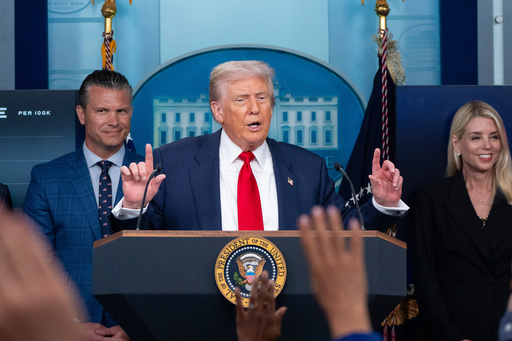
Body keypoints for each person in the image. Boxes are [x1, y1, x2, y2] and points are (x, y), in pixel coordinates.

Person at [113, 60, 407, 231]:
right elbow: (141, 248)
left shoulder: (307, 169)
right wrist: (133, 207)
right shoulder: (173, 164)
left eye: (263, 98)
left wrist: (383, 203)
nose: (255, 108)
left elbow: (346, 232)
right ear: (218, 111)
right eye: (241, 100)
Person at [23, 69, 143, 340]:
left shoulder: (152, 174)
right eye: (102, 111)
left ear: (131, 113)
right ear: (81, 114)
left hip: (137, 326)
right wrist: (69, 323)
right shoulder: (47, 178)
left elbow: (166, 262)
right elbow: (34, 265)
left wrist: (140, 325)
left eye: (121, 111)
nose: (113, 121)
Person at [413, 100, 512, 341]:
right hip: (452, 333)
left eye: (494, 137)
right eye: (476, 137)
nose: (487, 145)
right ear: (457, 143)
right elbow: (425, 278)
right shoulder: (432, 198)